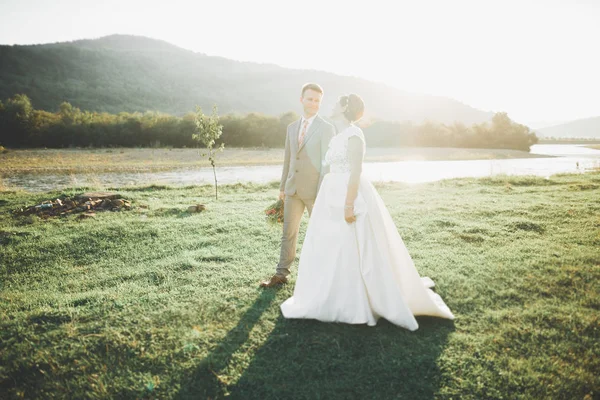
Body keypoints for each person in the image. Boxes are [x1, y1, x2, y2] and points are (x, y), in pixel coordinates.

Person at [280, 94, 455, 330]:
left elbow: (355, 172)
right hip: (329, 195)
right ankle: (331, 293)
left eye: (335, 102)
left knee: (351, 243)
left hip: (347, 194)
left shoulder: (354, 135)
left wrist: (349, 204)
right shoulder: (337, 135)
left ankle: (358, 300)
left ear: (344, 107)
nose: (330, 105)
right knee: (330, 245)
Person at [260, 83, 335, 288]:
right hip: (292, 190)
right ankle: (281, 275)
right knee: (288, 233)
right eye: (310, 99)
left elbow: (326, 163)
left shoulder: (327, 128)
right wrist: (283, 187)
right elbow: (288, 158)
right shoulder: (291, 128)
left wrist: (322, 192)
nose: (313, 103)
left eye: (317, 100)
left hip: (314, 192)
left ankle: (326, 274)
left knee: (320, 233)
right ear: (302, 99)